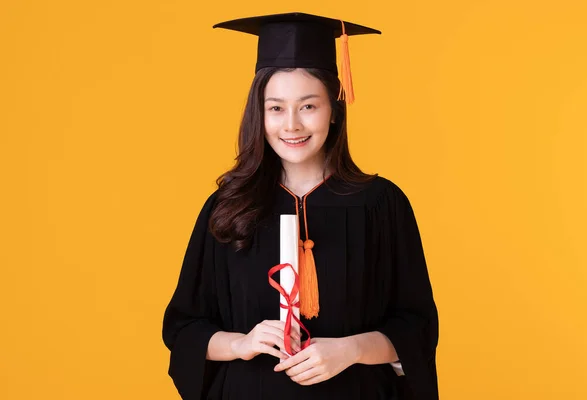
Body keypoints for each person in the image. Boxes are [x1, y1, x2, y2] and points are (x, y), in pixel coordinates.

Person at [162, 12, 439, 400]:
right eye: (276, 108)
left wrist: (350, 350)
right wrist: (242, 343)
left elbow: (417, 328)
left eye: (308, 106)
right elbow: (184, 328)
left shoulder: (381, 205)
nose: (291, 125)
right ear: (259, 114)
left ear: (334, 111)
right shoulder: (226, 207)